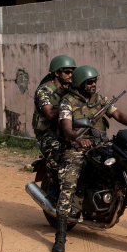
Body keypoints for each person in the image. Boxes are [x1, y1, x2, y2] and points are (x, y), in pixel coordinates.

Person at [54, 65, 127, 252]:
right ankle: (60, 235)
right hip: (76, 147)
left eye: (95, 81)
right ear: (80, 83)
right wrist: (77, 139)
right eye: (90, 82)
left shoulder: (100, 99)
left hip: (99, 144)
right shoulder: (68, 102)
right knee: (69, 183)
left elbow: (117, 114)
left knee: (123, 163)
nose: (93, 84)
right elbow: (66, 127)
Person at [32, 55, 77, 188]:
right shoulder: (44, 90)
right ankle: (53, 187)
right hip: (46, 131)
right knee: (55, 149)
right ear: (57, 73)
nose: (70, 75)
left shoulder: (69, 88)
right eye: (67, 72)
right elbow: (50, 114)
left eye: (72, 72)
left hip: (64, 127)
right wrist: (68, 105)